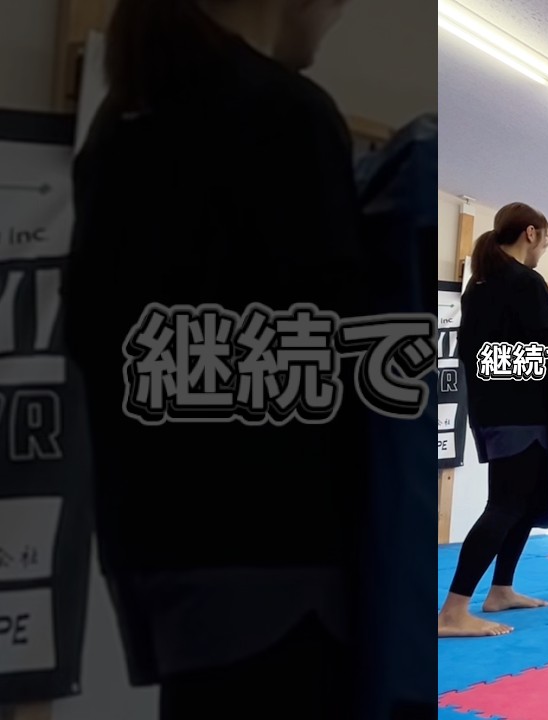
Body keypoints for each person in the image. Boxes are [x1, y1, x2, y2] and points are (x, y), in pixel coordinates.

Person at [64, 1, 367, 718]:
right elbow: (343, 356)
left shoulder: (120, 121)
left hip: (163, 547)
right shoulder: (284, 114)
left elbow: (94, 343)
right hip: (278, 550)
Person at [438, 202, 548, 638]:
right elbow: (545, 350)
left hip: (492, 410)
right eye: (544, 241)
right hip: (520, 413)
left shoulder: (480, 285)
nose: (542, 251)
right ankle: (453, 611)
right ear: (531, 233)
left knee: (520, 504)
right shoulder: (525, 281)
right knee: (505, 505)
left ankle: (501, 589)